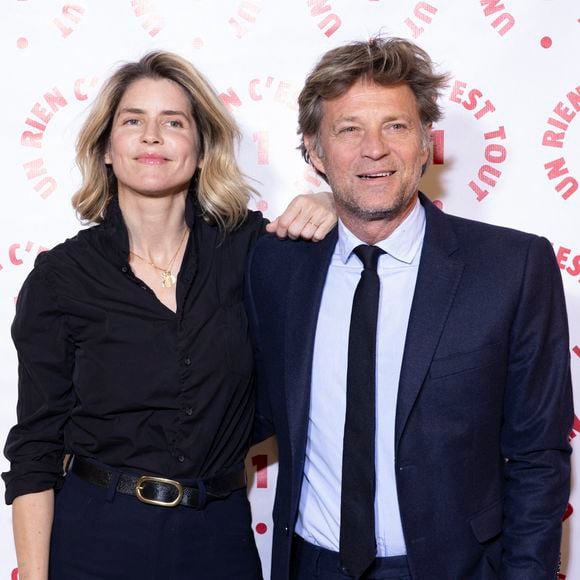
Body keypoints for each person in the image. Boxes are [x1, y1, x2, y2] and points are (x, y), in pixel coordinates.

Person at [246, 37, 573, 580]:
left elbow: (538, 455)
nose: (374, 149)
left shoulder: (512, 267)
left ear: (426, 143)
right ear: (315, 150)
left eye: (395, 126)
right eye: (349, 129)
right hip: (310, 565)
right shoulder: (277, 266)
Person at [2, 51, 337, 580]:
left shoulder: (252, 252)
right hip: (96, 537)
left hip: (220, 537)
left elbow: (356, 256)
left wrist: (332, 201)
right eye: (133, 121)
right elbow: (35, 448)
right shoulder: (61, 277)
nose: (152, 137)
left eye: (173, 123)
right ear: (107, 149)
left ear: (201, 150)